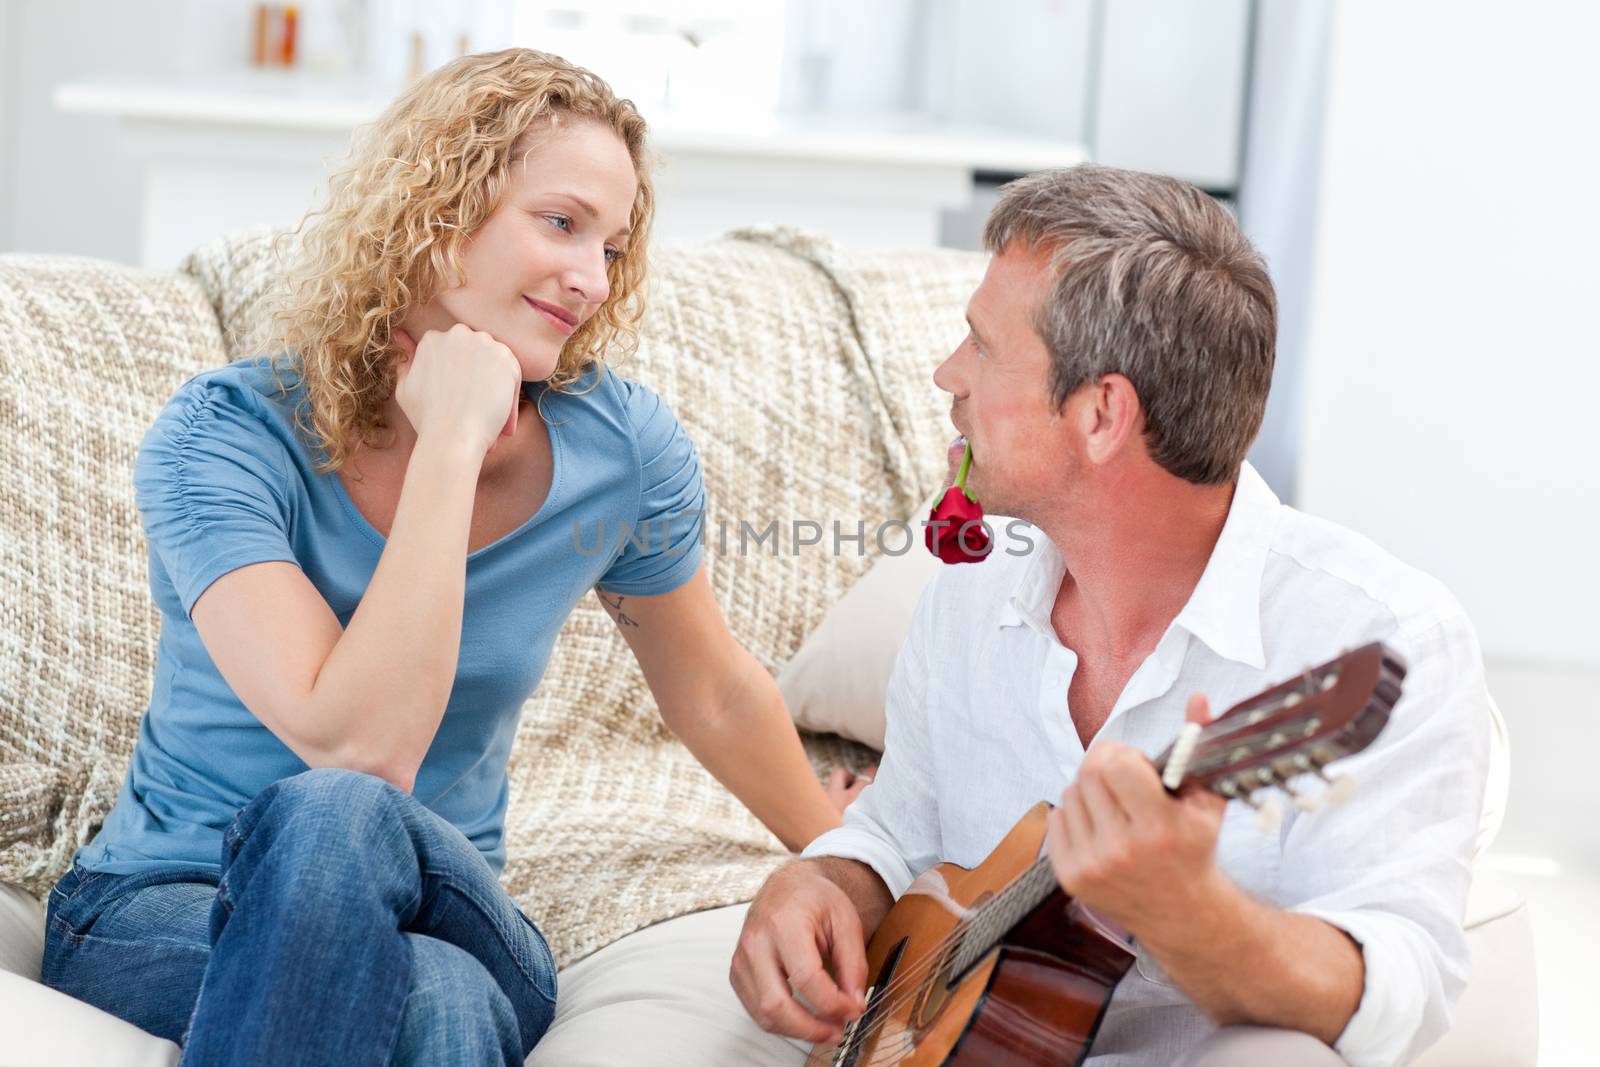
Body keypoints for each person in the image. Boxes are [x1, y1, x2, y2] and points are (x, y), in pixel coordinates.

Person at [41, 49, 864, 1066]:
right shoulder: (227, 438)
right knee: (426, 984)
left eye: (611, 244)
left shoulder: (618, 451)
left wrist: (853, 857)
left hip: (446, 895)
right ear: (437, 213)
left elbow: (712, 690)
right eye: (560, 223)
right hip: (166, 899)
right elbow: (358, 747)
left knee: (381, 873)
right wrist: (450, 449)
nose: (590, 276)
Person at [731, 164, 1492, 1067]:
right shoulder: (979, 588)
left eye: (981, 346)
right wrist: (825, 879)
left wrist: (1189, 908)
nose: (947, 374)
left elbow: (1400, 984)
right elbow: (901, 829)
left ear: (1100, 414)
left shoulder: (1381, 637)